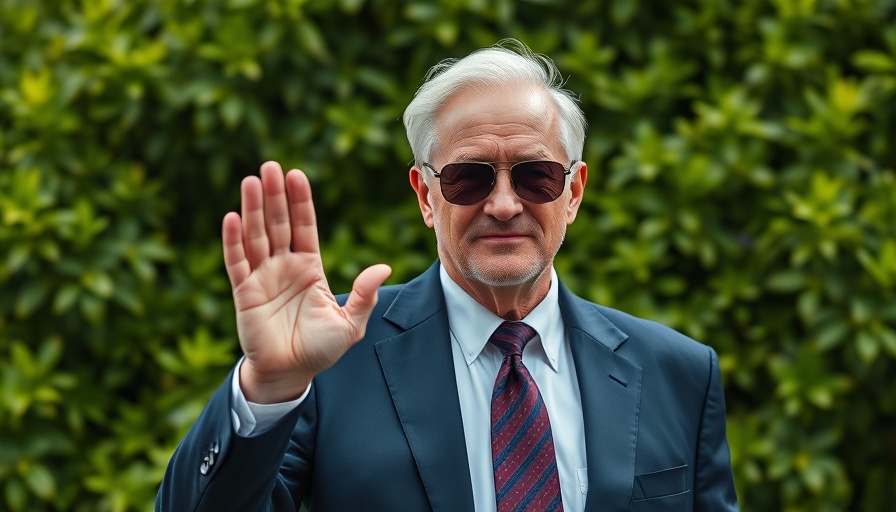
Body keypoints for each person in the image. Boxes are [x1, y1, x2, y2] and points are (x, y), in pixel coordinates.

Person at [156, 39, 738, 512]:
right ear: (426, 196)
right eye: (469, 178)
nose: (505, 204)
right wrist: (267, 387)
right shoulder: (330, 363)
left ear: (574, 192)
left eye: (536, 176)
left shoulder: (679, 373)